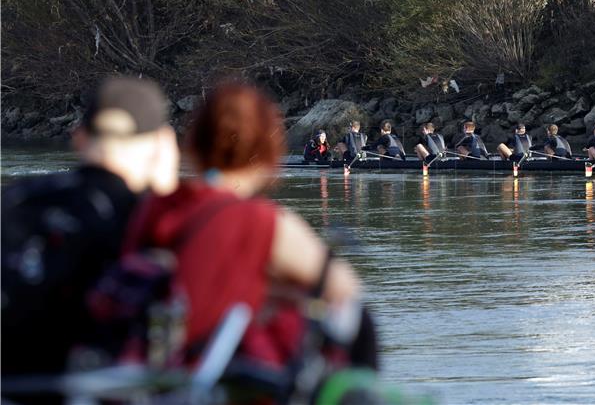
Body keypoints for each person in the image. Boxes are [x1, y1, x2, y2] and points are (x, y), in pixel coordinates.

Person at [121, 82, 377, 373]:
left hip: (148, 370)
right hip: (214, 377)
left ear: (194, 143)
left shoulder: (151, 208)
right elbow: (346, 293)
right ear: (267, 148)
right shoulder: (263, 219)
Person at [1, 77, 179, 379]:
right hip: (95, 388)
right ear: (163, 142)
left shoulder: (17, 198)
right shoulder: (153, 221)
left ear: (80, 137)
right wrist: (166, 194)